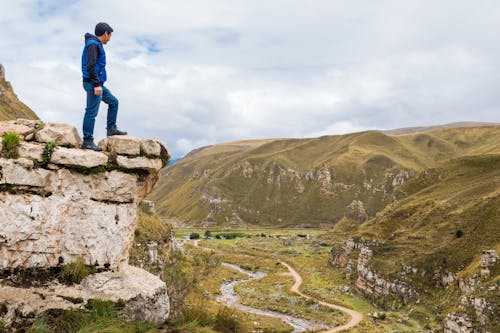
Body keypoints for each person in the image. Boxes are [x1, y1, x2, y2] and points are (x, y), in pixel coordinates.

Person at [81, 22, 127, 151]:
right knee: (91, 112)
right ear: (106, 33)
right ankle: (87, 140)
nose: (110, 38)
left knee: (113, 102)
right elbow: (90, 66)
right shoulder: (93, 45)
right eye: (110, 35)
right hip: (92, 83)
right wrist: (96, 84)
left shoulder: (95, 44)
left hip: (97, 83)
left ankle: (111, 129)